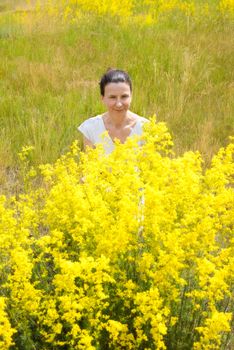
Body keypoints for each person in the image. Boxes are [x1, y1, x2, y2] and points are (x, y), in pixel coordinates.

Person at [78, 68, 149, 154]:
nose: (119, 104)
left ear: (131, 96)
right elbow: (89, 165)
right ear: (102, 98)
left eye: (124, 97)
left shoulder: (146, 128)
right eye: (112, 97)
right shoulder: (90, 128)